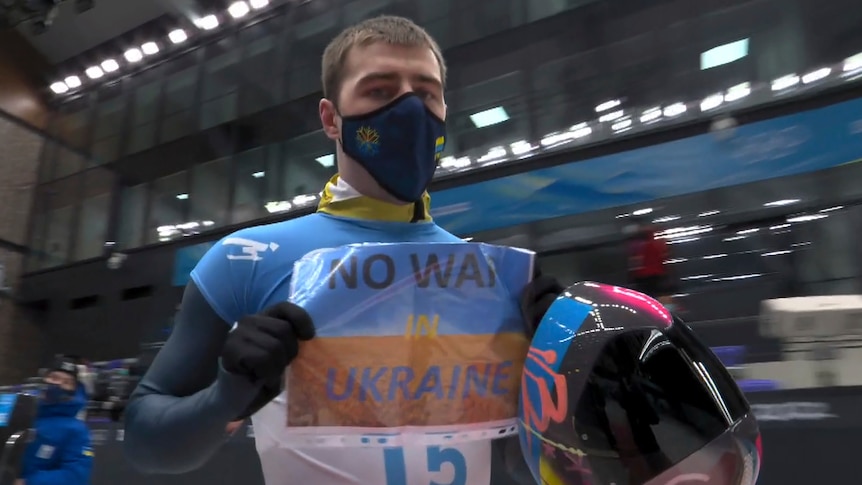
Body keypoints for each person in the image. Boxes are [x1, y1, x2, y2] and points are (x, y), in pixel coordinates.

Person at [124, 14, 562, 484]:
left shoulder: (493, 279)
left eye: (427, 93)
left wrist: (562, 373)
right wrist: (225, 399)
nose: (411, 110)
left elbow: (531, 466)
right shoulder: (245, 259)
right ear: (331, 119)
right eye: (379, 90)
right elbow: (147, 444)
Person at [16, 356, 93, 485]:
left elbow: (76, 477)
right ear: (45, 379)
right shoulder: (22, 414)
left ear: (74, 391)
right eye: (54, 378)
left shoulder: (76, 430)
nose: (58, 384)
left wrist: (28, 482)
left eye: (67, 382)